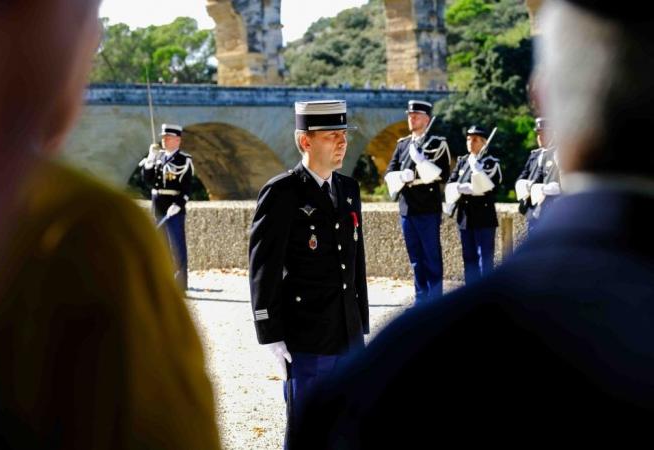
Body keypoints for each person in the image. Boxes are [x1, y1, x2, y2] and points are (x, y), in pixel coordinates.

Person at [292, 0, 654, 446]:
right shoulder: (409, 145)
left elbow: (469, 178)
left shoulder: (392, 373)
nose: (413, 121)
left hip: (452, 216)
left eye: (417, 116)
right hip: (425, 211)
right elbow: (403, 174)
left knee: (468, 263)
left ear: (543, 93)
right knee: (423, 264)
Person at [0, 1, 221, 448]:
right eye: (85, 12)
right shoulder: (89, 236)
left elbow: (182, 187)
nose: (95, 36)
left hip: (172, 211)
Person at [248, 100, 369, 449]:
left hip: (346, 331)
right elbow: (263, 267)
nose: (342, 142)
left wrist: (360, 321)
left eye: (344, 135)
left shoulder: (348, 190)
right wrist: (269, 332)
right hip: (306, 334)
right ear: (305, 142)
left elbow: (355, 262)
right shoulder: (282, 192)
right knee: (307, 428)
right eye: (332, 136)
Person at [384, 100, 451, 302]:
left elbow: (443, 174)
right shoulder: (403, 144)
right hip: (407, 208)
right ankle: (421, 299)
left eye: (416, 116)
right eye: (410, 115)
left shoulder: (437, 143)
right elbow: (389, 171)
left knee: (431, 257)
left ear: (426, 119)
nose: (411, 118)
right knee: (415, 259)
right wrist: (400, 177)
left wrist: (421, 162)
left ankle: (435, 301)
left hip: (427, 207)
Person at [446, 125, 503, 284]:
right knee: (469, 259)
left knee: (484, 260)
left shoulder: (491, 162)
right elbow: (451, 182)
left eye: (475, 139)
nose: (470, 142)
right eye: (469, 139)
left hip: (483, 218)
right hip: (465, 217)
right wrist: (459, 188)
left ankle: (485, 296)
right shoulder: (463, 161)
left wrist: (477, 171)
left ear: (484, 143)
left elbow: (490, 186)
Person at [141, 123, 194, 290]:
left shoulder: (184, 160)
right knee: (160, 245)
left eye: (168, 138)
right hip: (158, 205)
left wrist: (179, 204)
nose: (164, 141)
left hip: (174, 207)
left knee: (177, 245)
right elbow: (147, 181)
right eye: (163, 138)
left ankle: (180, 283)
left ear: (177, 140)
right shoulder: (158, 157)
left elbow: (187, 188)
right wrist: (150, 158)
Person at [516, 117, 560, 232]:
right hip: (533, 209)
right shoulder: (534, 155)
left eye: (544, 133)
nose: (540, 137)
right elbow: (524, 176)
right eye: (538, 133)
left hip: (551, 209)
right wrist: (525, 186)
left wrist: (539, 187)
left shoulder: (557, 153)